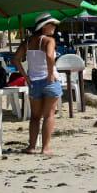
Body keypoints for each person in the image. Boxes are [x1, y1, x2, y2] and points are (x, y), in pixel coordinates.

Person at [15, 14, 62, 154]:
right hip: (49, 82)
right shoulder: (49, 40)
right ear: (44, 26)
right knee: (49, 115)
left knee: (35, 117)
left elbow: (16, 59)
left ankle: (31, 146)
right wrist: (50, 74)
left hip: (34, 82)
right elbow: (49, 56)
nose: (54, 27)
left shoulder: (27, 42)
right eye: (52, 24)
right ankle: (45, 148)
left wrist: (26, 77)